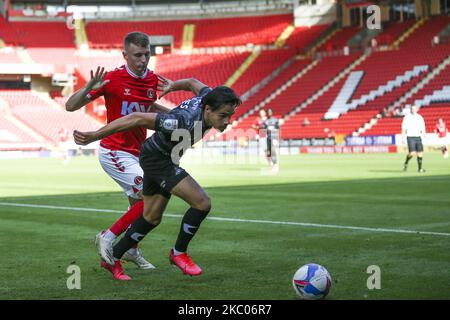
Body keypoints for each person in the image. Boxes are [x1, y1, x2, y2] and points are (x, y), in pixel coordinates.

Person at [73, 78, 241, 280]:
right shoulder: (183, 121)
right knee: (202, 202)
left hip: (159, 157)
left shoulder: (209, 95)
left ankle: (114, 258)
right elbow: (135, 118)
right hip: (158, 160)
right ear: (207, 110)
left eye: (229, 116)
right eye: (223, 116)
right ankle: (178, 253)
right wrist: (95, 135)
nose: (226, 122)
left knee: (151, 217)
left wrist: (172, 86)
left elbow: (191, 82)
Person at [65, 31, 171, 269]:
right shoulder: (112, 79)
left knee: (140, 209)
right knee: (151, 197)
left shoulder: (153, 80)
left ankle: (131, 249)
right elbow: (70, 106)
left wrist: (174, 116)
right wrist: (87, 88)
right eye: (137, 55)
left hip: (139, 154)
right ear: (125, 55)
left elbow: (147, 104)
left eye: (147, 54)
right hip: (115, 151)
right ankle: (108, 236)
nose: (143, 60)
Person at [402, 105, 426, 172]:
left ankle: (420, 169)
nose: (413, 110)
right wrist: (403, 137)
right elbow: (403, 128)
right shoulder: (407, 117)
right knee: (412, 153)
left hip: (418, 136)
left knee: (420, 152)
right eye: (412, 109)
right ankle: (406, 163)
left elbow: (423, 126)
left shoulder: (419, 117)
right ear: (410, 109)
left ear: (417, 109)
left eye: (415, 109)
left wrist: (424, 133)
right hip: (410, 137)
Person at [262, 108, 280, 172]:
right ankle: (272, 165)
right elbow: (262, 132)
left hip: (274, 138)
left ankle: (275, 165)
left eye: (270, 112)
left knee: (273, 151)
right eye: (268, 112)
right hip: (268, 138)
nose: (269, 113)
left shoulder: (275, 120)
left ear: (272, 113)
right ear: (267, 113)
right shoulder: (265, 122)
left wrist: (277, 138)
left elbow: (278, 129)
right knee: (268, 153)